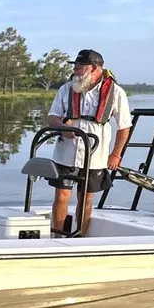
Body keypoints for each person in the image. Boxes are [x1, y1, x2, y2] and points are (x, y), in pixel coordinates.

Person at [45, 49, 132, 237]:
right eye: (75, 66)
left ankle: (80, 237)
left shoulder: (116, 92)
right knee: (61, 195)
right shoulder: (66, 89)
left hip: (95, 154)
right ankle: (57, 236)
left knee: (86, 197)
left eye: (80, 66)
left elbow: (124, 126)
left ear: (94, 68)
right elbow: (52, 117)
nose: (75, 69)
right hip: (66, 152)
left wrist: (116, 154)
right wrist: (63, 128)